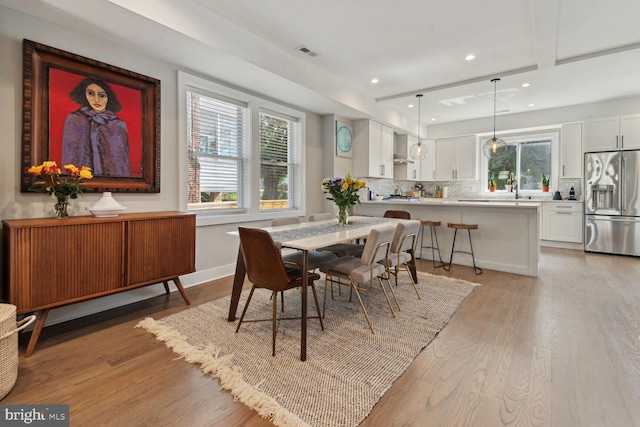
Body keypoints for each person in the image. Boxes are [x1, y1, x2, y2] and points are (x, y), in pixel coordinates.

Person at [61, 77, 131, 177]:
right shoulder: (74, 120)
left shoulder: (118, 125)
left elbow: (122, 164)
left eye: (102, 95)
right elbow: (69, 158)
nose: (96, 99)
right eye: (90, 93)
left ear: (108, 97)